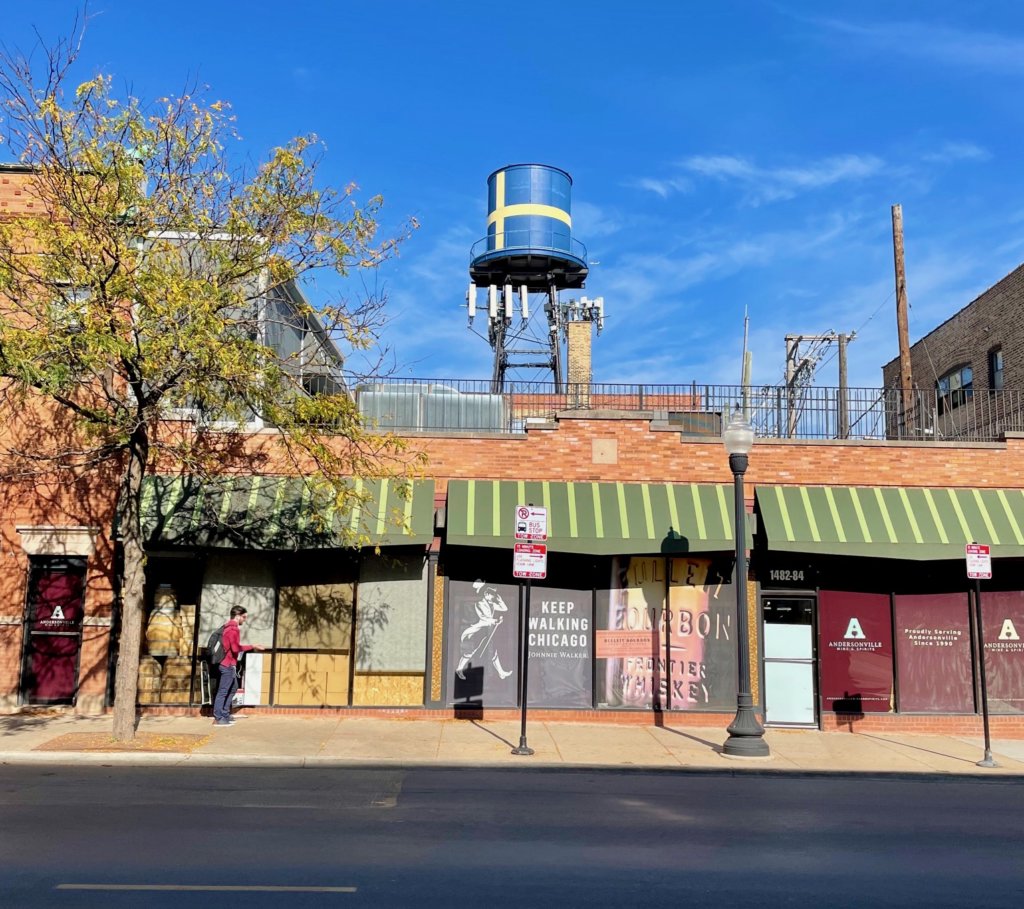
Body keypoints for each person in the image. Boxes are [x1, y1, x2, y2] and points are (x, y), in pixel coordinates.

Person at [213, 605, 265, 726]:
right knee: (223, 691)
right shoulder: (233, 629)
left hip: (228, 664)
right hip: (227, 665)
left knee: (233, 688)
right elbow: (236, 649)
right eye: (244, 617)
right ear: (237, 616)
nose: (245, 620)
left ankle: (225, 714)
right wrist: (253, 646)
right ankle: (218, 718)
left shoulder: (228, 628)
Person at [455, 580, 513, 681]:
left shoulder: (492, 604)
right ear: (486, 594)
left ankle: (501, 673)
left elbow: (505, 608)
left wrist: (499, 599)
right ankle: (459, 669)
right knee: (471, 651)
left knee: (493, 651)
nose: (493, 596)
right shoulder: (480, 603)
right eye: (492, 594)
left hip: (488, 630)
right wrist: (495, 621)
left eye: (495, 594)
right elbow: (484, 618)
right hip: (480, 630)